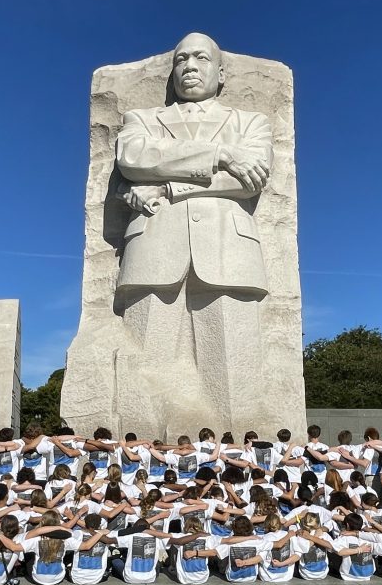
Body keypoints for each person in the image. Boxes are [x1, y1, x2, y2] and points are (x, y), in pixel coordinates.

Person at [113, 32, 274, 421]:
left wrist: (169, 185)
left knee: (235, 378)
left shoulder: (251, 122)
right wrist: (220, 154)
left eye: (201, 58)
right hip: (153, 247)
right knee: (143, 374)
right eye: (181, 59)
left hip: (228, 252)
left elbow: (248, 180)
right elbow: (133, 159)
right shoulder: (143, 120)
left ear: (221, 73)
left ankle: (240, 461)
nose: (189, 66)